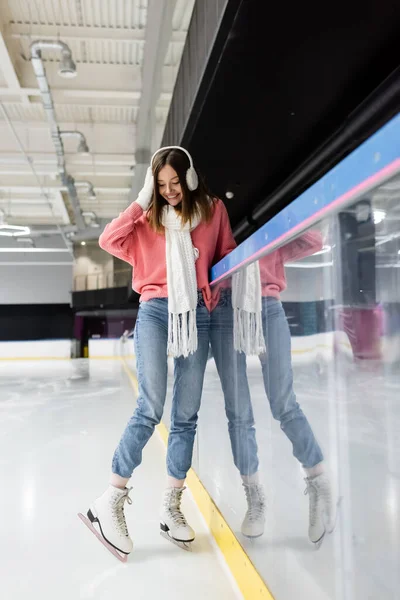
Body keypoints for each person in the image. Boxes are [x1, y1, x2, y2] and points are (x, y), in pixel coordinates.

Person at [80, 147, 265, 561]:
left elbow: (226, 255)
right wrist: (143, 198)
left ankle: (170, 506)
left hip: (196, 314)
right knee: (150, 405)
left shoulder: (213, 211)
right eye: (161, 185)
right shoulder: (145, 217)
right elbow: (108, 239)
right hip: (155, 312)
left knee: (186, 414)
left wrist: (219, 283)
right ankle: (109, 499)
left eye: (174, 183)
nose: (169, 192)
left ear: (190, 178)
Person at [256, 232, 335, 546]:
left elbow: (314, 241)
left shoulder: (266, 219)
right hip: (223, 313)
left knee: (283, 404)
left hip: (267, 307)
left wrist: (281, 222)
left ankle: (318, 481)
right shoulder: (216, 213)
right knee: (237, 412)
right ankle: (252, 495)